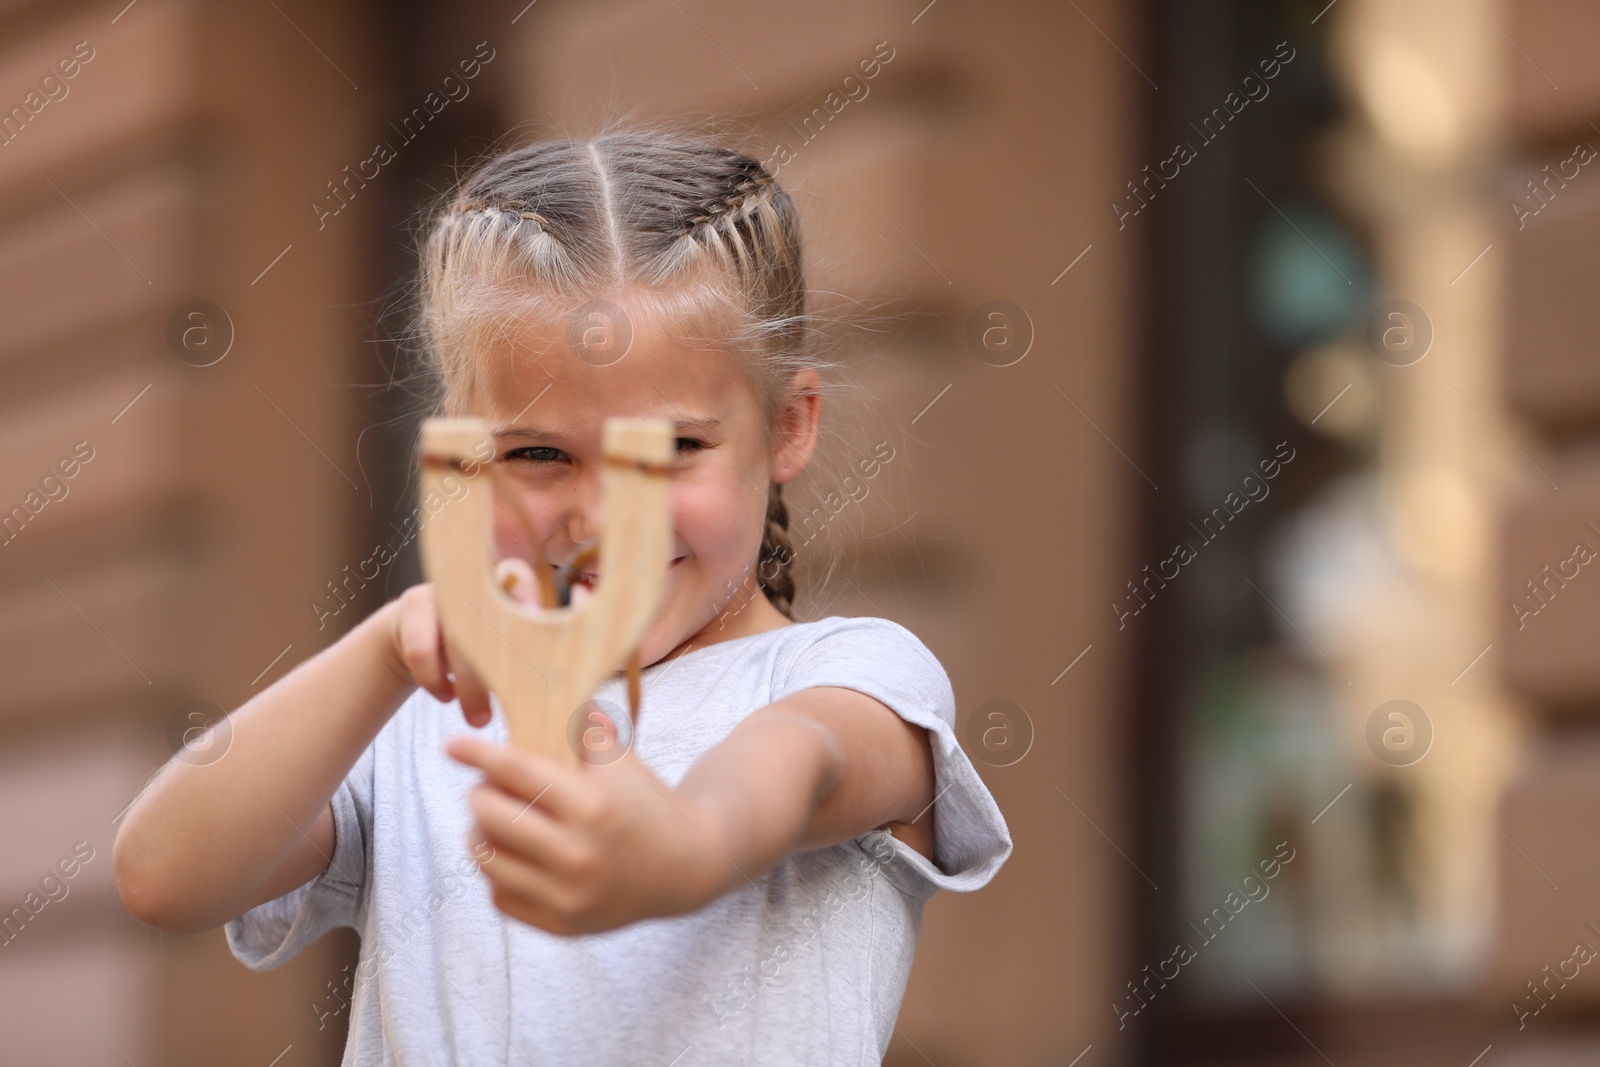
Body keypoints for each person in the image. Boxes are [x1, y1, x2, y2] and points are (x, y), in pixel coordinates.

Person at [112, 127, 1011, 1065]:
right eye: (539, 453)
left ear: (788, 426)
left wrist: (684, 844)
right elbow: (162, 875)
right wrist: (383, 649)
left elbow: (802, 764)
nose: (603, 517)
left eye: (669, 452)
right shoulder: (423, 720)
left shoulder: (852, 672)